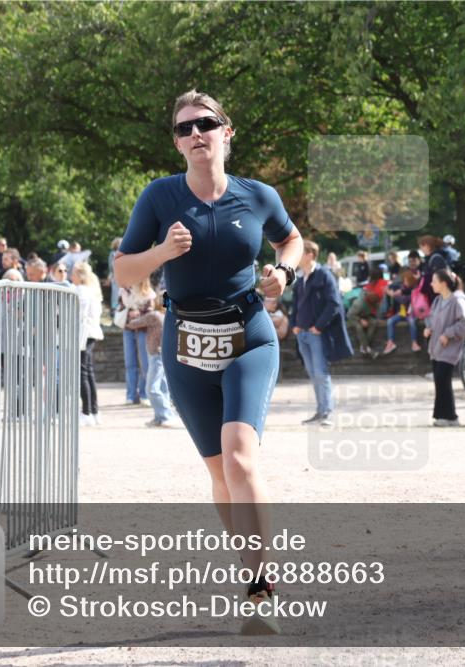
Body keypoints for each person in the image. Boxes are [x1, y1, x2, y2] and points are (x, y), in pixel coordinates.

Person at [113, 90, 303, 634]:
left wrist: (283, 274)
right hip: (186, 341)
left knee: (241, 457)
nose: (196, 134)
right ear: (177, 142)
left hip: (248, 334)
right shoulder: (159, 197)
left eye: (206, 123)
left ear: (227, 131)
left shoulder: (257, 195)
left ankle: (264, 582)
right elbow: (125, 271)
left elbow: (292, 240)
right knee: (219, 471)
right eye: (184, 128)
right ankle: (250, 563)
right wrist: (162, 254)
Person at [291, 240, 353, 426]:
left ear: (310, 254)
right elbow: (295, 305)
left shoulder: (324, 275)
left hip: (316, 334)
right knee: (312, 373)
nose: (298, 256)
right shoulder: (300, 278)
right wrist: (294, 324)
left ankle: (327, 412)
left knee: (321, 373)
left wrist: (318, 327)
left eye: (301, 252)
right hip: (302, 334)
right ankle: (320, 411)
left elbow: (334, 303)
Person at [424, 268, 465, 426]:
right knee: (440, 382)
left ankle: (449, 417)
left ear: (443, 283)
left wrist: (449, 333)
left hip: (449, 349)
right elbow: (431, 319)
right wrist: (428, 328)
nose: (431, 284)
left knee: (443, 381)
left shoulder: (457, 300)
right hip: (436, 348)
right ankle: (445, 416)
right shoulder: (438, 300)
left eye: (434, 281)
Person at [125, 299, 182, 428]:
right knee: (163, 388)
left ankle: (166, 416)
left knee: (151, 388)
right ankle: (159, 417)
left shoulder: (154, 315)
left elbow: (133, 324)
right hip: (162, 354)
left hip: (155, 354)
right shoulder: (168, 316)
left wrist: (135, 314)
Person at [71, 261, 104, 426]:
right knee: (88, 371)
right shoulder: (91, 290)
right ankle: (94, 411)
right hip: (90, 332)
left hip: (84, 333)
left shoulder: (82, 290)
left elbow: (78, 313)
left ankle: (87, 412)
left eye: (73, 272)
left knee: (83, 372)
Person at [117, 279, 156, 405]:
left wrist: (139, 313)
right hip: (128, 329)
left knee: (145, 364)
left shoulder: (148, 293)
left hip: (143, 330)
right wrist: (129, 312)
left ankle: (144, 394)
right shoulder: (124, 290)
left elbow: (151, 313)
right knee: (130, 364)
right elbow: (119, 308)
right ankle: (131, 395)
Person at [383, 268, 422, 354]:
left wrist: (393, 295)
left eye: (406, 281)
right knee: (390, 321)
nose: (404, 283)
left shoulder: (415, 289)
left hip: (412, 313)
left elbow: (405, 300)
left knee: (412, 322)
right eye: (404, 281)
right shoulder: (403, 287)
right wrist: (393, 292)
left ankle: (414, 342)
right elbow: (400, 290)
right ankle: (390, 342)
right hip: (402, 312)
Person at [346, 289, 382, 357]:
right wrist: (360, 320)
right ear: (369, 303)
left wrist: (378, 318)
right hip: (354, 317)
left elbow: (377, 309)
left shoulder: (373, 300)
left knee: (374, 322)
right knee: (359, 327)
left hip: (365, 315)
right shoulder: (359, 304)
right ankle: (368, 349)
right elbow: (349, 315)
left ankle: (364, 347)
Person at [107, 237, 122, 315]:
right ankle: (114, 311)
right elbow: (111, 267)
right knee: (115, 295)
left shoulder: (123, 253)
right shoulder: (112, 253)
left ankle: (119, 312)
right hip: (115, 277)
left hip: (123, 277)